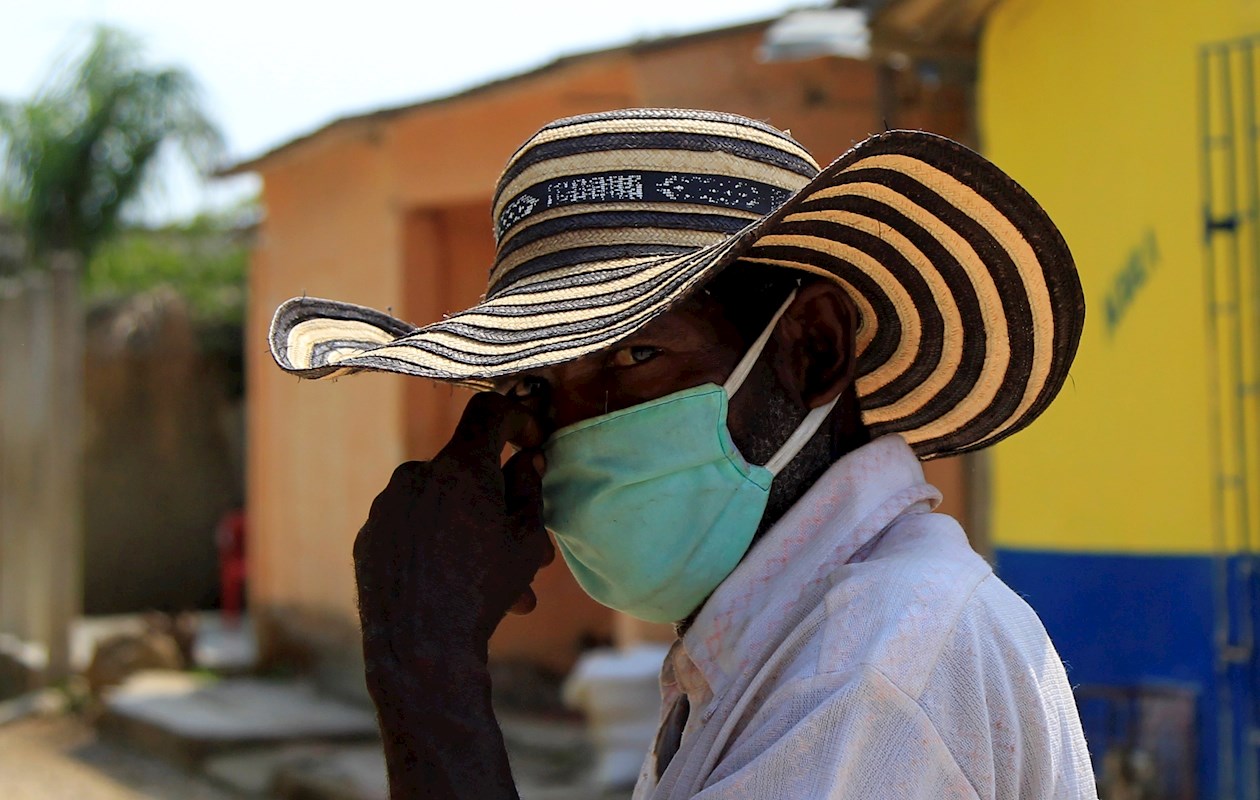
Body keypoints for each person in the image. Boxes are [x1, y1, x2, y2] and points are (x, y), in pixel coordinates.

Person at [269, 109, 1097, 799]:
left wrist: (425, 662)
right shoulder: (781, 644)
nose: (575, 426)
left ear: (812, 349)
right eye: (539, 384)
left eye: (635, 359)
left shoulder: (868, 672)